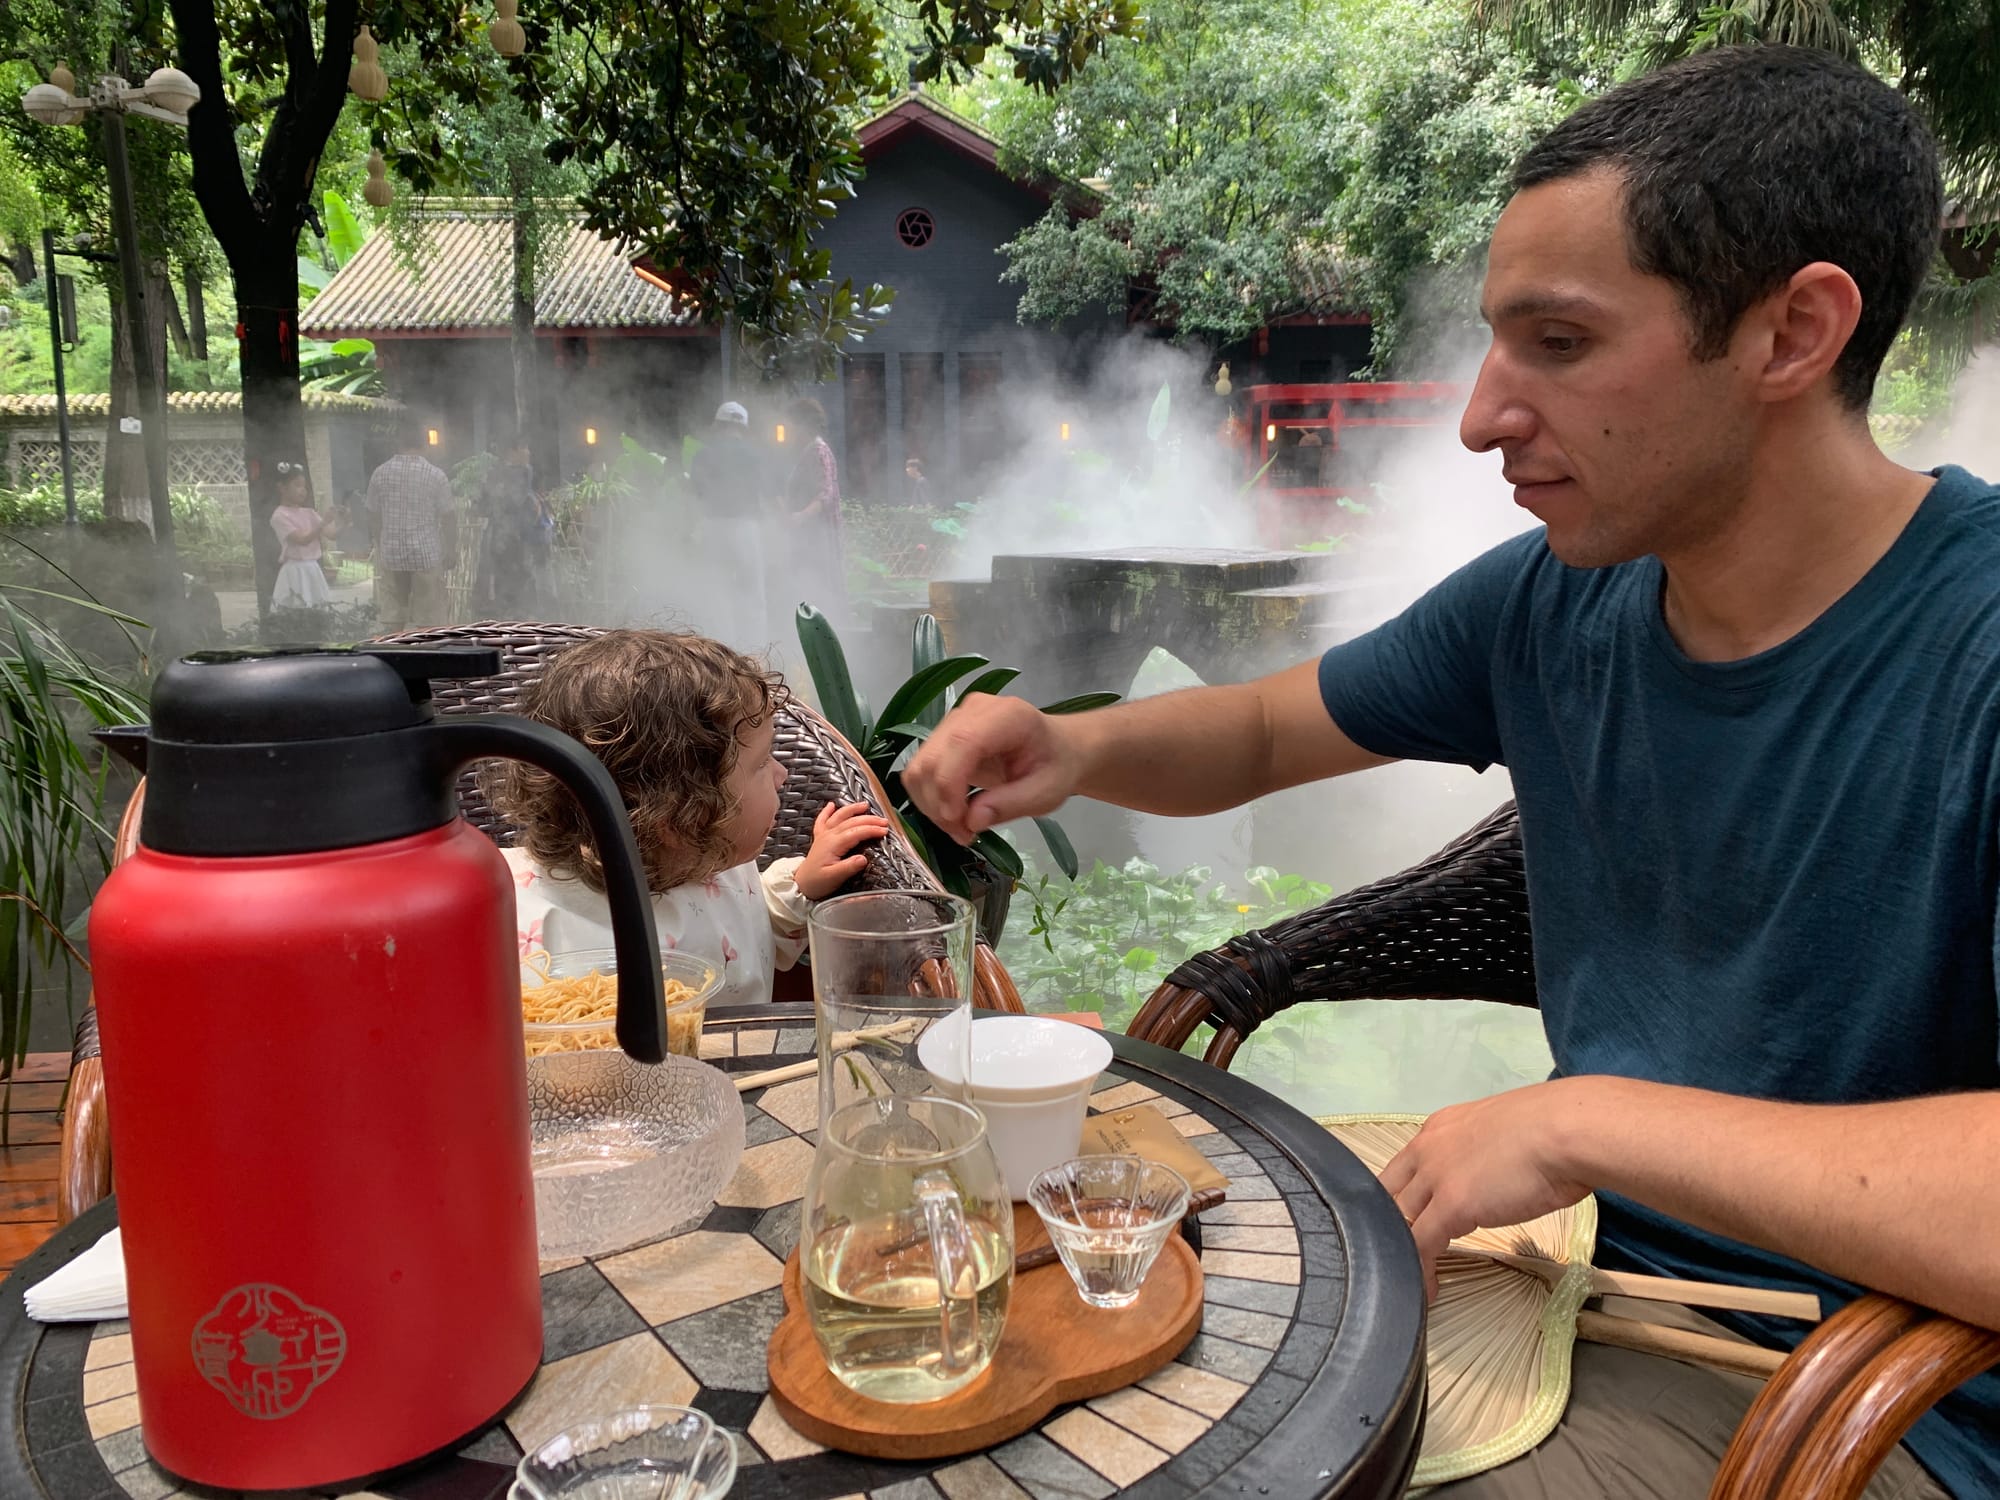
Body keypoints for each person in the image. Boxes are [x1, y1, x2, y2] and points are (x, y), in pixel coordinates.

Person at [903, 46, 1997, 1500]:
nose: (1480, 416)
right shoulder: (1555, 601)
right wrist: (1075, 744)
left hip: (1859, 1397)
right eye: (1494, 344)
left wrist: (1586, 1119)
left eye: (1556, 344)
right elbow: (1262, 732)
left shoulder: (1975, 648)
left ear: (1793, 332)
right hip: (1572, 1291)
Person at [490, 629, 891, 1008]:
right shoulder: (530, 931)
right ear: (680, 818)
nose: (782, 775)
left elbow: (746, 927)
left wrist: (803, 885)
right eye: (762, 762)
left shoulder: (711, 860)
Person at [687, 401, 771, 646]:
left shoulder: (704, 454)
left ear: (718, 425)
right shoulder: (755, 455)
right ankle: (756, 653)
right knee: (753, 592)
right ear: (743, 428)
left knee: (717, 591)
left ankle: (721, 649)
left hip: (714, 527)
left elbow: (696, 494)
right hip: (747, 528)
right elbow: (766, 493)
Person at [365, 419, 457, 632]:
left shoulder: (380, 473)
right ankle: (428, 659)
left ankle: (395, 657)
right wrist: (451, 549)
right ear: (425, 445)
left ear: (397, 443)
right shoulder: (435, 475)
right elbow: (449, 515)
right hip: (426, 556)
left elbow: (372, 512)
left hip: (392, 555)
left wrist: (380, 542)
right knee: (430, 621)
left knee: (393, 618)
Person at [784, 396, 845, 620]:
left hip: (818, 531)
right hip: (808, 532)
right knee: (808, 582)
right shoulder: (807, 451)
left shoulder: (819, 450)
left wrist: (801, 516)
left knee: (819, 583)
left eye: (791, 424)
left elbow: (826, 492)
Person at [473, 439, 540, 619]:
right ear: (513, 451)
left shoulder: (492, 474)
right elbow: (518, 502)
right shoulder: (523, 472)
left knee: (502, 586)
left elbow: (479, 506)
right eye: (525, 447)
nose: (528, 452)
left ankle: (505, 621)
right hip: (515, 540)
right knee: (517, 588)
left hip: (497, 539)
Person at [268, 461, 337, 613]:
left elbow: (331, 534)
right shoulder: (279, 516)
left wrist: (344, 522)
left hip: (313, 569)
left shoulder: (309, 513)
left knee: (318, 610)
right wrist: (323, 522)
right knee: (296, 610)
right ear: (282, 488)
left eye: (304, 486)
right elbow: (302, 540)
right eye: (297, 485)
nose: (303, 490)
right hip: (295, 570)